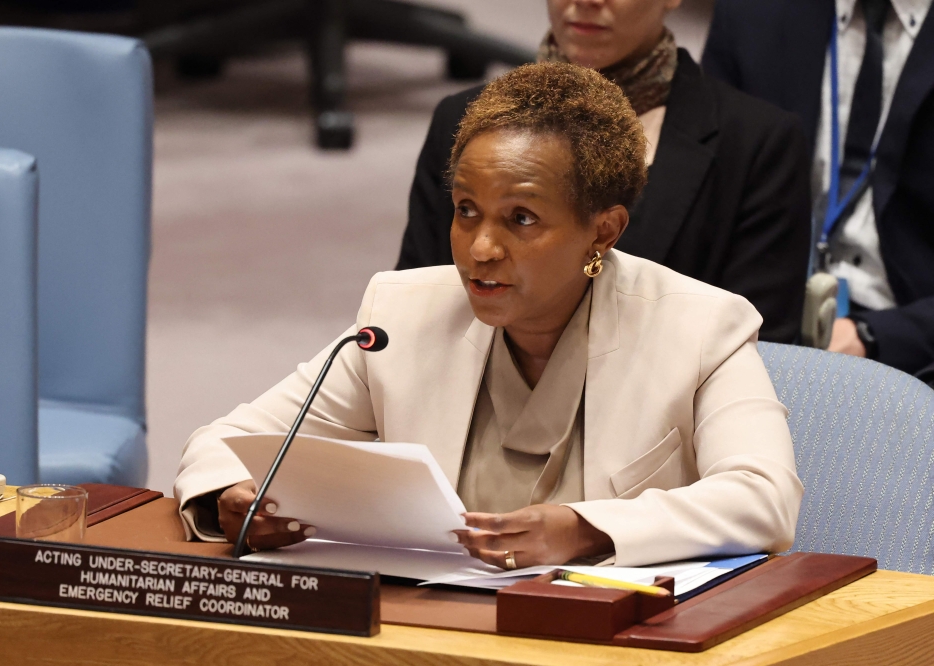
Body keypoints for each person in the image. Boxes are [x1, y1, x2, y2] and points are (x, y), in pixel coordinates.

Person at [175, 63, 802, 568]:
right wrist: (233, 499)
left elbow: (763, 498)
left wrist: (585, 529)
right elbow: (225, 443)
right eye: (467, 209)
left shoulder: (701, 327)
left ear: (603, 231)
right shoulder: (400, 315)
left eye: (521, 219)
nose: (480, 249)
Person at [395, 0, 812, 344]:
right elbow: (418, 312)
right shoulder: (461, 119)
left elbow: (761, 349)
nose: (587, 2)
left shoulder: (758, 142)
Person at [702, 0, 934, 379]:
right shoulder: (753, 13)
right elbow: (707, 200)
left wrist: (876, 335)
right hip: (754, 321)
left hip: (912, 346)